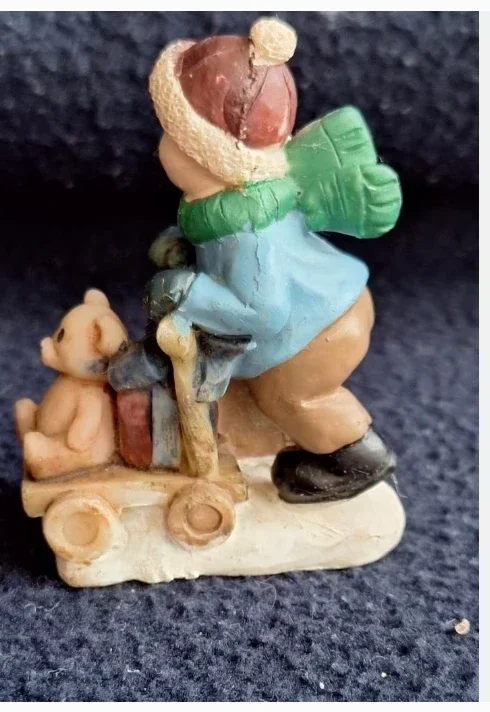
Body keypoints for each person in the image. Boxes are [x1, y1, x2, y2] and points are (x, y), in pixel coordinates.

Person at [144, 17, 403, 504]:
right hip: (322, 304)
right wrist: (187, 247)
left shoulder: (248, 236)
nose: (162, 145)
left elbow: (262, 310)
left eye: (175, 136)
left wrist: (185, 290)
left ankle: (357, 455)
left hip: (322, 327)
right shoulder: (225, 208)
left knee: (289, 396)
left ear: (210, 157)